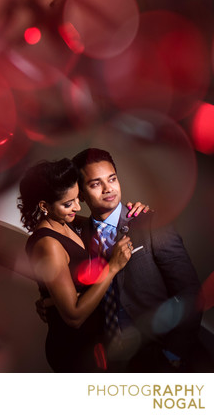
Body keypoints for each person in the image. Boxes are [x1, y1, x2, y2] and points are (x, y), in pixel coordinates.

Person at [69, 148, 203, 371]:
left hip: (159, 354)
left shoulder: (150, 223)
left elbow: (190, 293)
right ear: (81, 194)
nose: (108, 189)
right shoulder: (78, 236)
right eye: (95, 184)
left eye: (112, 179)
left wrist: (173, 353)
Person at [19, 158, 133, 372]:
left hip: (95, 342)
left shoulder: (67, 223)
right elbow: (74, 316)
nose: (78, 207)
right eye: (68, 203)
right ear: (44, 206)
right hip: (75, 350)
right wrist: (113, 267)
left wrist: (135, 210)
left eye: (77, 198)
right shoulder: (48, 245)